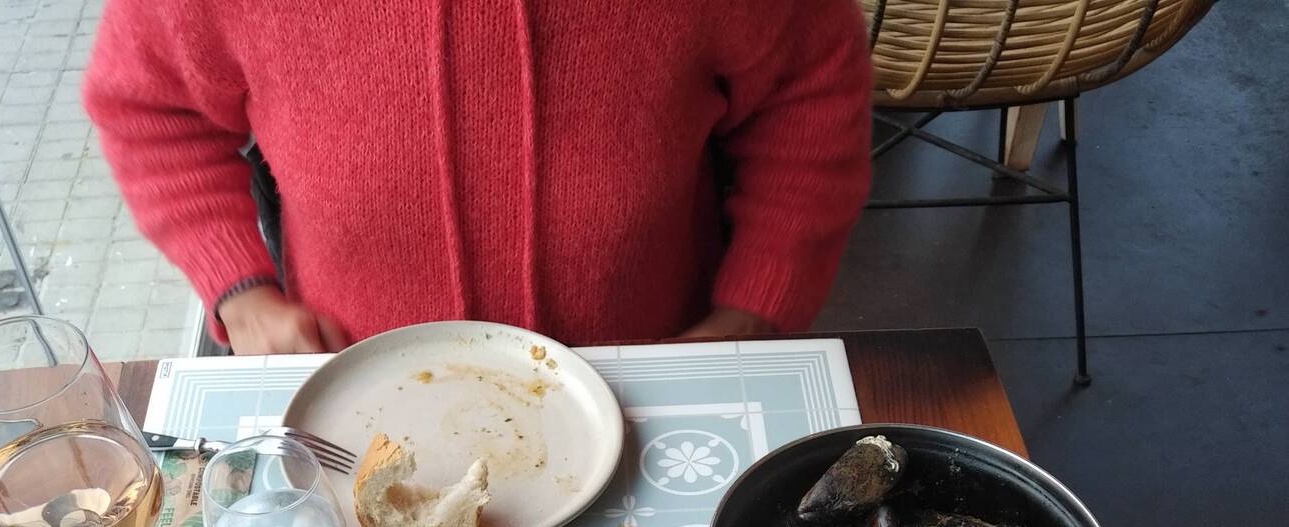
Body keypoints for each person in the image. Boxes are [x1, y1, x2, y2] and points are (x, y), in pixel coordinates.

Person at [83, 1, 872, 356]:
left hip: (655, 375)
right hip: (356, 393)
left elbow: (810, 96)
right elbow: (149, 109)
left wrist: (753, 311)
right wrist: (240, 293)